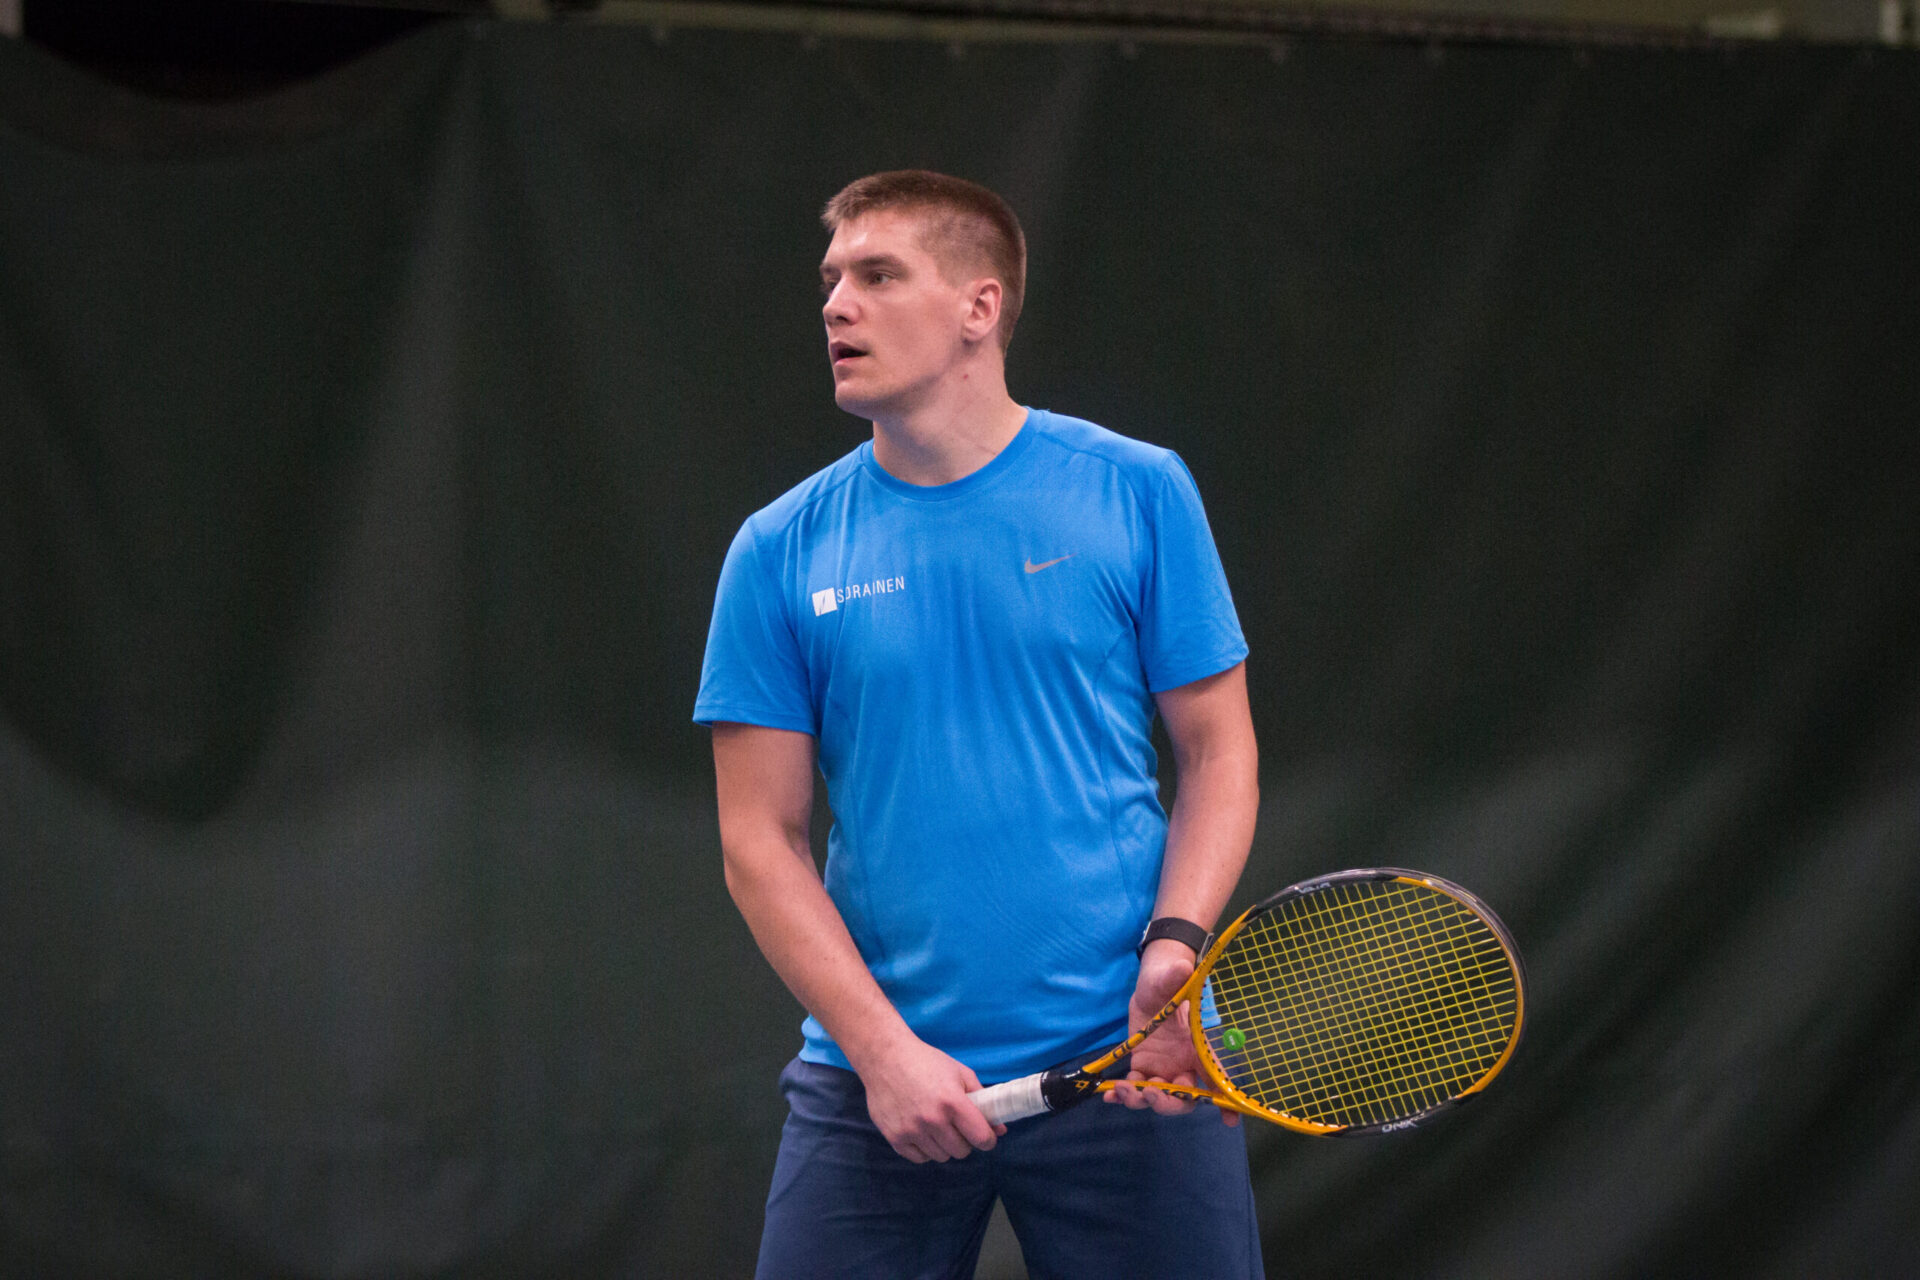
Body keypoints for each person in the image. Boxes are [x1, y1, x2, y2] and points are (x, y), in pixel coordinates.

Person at [694, 170, 1263, 1279]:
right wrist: (883, 1053)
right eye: (831, 280)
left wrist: (1176, 948)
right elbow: (758, 841)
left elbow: (1218, 751)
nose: (836, 304)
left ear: (979, 306)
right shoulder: (776, 549)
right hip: (874, 1087)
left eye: (877, 275)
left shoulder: (1139, 490)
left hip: (1135, 1060)